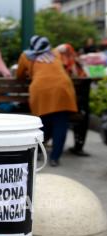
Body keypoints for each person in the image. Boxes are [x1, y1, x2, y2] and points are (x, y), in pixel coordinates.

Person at [17, 35, 78, 167]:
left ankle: (38, 151)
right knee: (61, 123)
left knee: (43, 123)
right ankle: (54, 158)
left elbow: (19, 75)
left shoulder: (26, 56)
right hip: (63, 89)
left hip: (41, 91)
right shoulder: (55, 53)